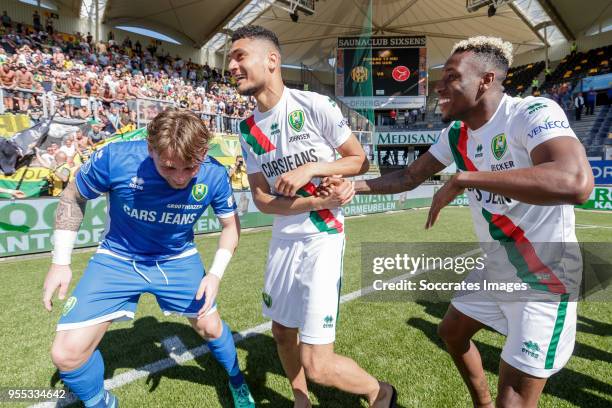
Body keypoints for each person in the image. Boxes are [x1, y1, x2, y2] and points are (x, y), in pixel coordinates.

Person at [345, 36, 593, 408]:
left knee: (515, 399)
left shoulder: (531, 113)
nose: (439, 87)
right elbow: (408, 177)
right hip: (497, 268)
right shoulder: (457, 134)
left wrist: (464, 179)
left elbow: (575, 182)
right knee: (452, 332)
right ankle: (482, 403)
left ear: (486, 80)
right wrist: (348, 186)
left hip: (544, 276)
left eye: (451, 76)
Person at [229, 25, 397, 408]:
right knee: (282, 334)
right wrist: (316, 201)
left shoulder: (313, 105)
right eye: (230, 60)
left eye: (240, 56)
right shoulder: (247, 129)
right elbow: (262, 200)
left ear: (271, 61)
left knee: (317, 363)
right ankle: (301, 401)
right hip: (284, 239)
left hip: (322, 237)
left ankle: (379, 392)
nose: (232, 67)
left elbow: (359, 160)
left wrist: (313, 169)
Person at [42, 109, 255, 408]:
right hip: (118, 257)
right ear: (150, 148)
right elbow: (73, 195)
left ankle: (236, 379)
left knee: (210, 327)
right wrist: (60, 261)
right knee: (66, 354)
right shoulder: (117, 158)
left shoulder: (214, 173)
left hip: (177, 259)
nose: (180, 178)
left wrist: (215, 274)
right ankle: (101, 402)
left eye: (190, 167)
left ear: (204, 153)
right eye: (169, 167)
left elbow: (231, 227)